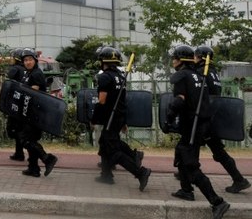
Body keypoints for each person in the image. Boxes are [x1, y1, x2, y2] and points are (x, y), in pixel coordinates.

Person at [165, 45, 229, 219]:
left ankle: (217, 202)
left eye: (174, 58)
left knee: (191, 166)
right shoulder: (200, 76)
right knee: (180, 152)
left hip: (191, 126)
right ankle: (186, 190)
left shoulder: (181, 76)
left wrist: (169, 118)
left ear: (180, 60)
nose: (173, 61)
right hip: (199, 125)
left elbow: (179, 101)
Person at [92, 47, 151, 191]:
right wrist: (123, 121)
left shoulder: (105, 77)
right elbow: (123, 101)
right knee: (105, 143)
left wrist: (94, 119)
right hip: (118, 116)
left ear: (102, 61)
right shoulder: (120, 76)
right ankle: (106, 175)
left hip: (110, 118)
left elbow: (101, 101)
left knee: (112, 149)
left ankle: (140, 172)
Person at [193, 45, 250, 194]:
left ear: (201, 57)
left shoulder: (201, 72)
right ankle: (238, 179)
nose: (194, 58)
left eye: (196, 56)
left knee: (194, 145)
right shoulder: (213, 73)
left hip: (205, 117)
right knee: (214, 150)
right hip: (213, 116)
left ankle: (239, 179)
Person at [18, 48, 58, 177]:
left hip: (35, 112)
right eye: (25, 60)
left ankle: (47, 158)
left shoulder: (36, 74)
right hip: (29, 112)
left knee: (26, 140)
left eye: (30, 60)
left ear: (35, 60)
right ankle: (33, 168)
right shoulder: (28, 73)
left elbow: (31, 93)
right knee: (31, 139)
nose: (27, 62)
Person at [5, 48, 26, 161]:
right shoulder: (27, 70)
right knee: (20, 128)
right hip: (24, 103)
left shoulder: (14, 69)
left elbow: (8, 84)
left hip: (15, 102)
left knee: (13, 129)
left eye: (12, 57)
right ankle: (19, 153)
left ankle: (21, 152)